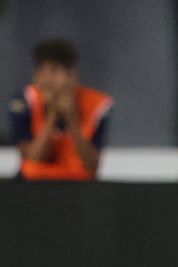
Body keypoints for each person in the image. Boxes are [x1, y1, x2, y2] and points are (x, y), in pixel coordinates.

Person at [7, 38, 112, 181]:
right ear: (37, 74)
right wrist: (52, 115)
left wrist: (72, 119)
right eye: (49, 71)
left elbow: (92, 165)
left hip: (79, 186)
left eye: (60, 71)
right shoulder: (24, 101)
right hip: (32, 184)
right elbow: (34, 157)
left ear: (73, 74)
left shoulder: (98, 104)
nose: (49, 79)